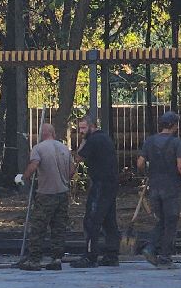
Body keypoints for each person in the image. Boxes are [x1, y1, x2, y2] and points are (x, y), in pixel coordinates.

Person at [135, 112, 181, 269]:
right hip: (170, 188)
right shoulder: (176, 143)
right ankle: (164, 257)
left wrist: (147, 173)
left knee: (162, 221)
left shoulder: (149, 141)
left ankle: (150, 248)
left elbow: (140, 163)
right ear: (173, 125)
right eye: (177, 124)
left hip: (154, 188)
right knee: (170, 222)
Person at [15, 123, 75, 271]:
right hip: (62, 193)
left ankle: (34, 260)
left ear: (42, 134)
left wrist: (24, 177)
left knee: (38, 227)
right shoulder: (64, 149)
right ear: (53, 133)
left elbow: (34, 165)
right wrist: (64, 179)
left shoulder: (38, 148)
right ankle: (56, 259)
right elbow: (72, 170)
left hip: (46, 193)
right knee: (59, 227)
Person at [74, 114, 121, 267]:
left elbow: (79, 158)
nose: (81, 131)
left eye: (83, 128)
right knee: (109, 220)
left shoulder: (93, 140)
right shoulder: (105, 138)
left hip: (101, 184)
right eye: (79, 128)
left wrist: (83, 141)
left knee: (91, 220)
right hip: (111, 183)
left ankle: (90, 256)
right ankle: (111, 255)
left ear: (92, 126)